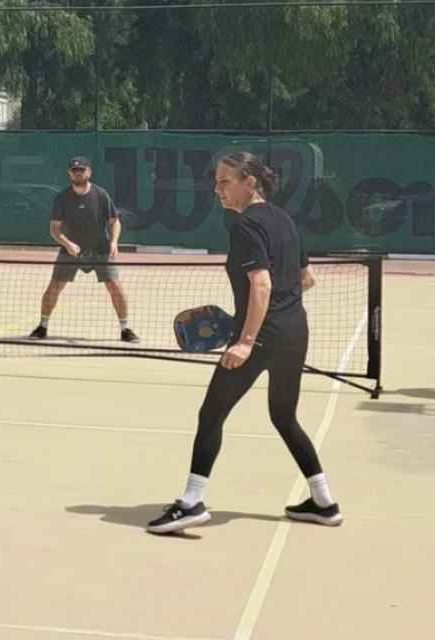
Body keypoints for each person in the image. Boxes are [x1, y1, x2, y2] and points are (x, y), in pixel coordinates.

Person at [146, 152, 341, 535]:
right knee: (283, 416)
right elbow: (306, 280)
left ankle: (190, 502)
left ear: (250, 182)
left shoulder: (245, 225)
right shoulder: (285, 221)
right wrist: (256, 320)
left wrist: (246, 339)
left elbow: (262, 284)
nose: (217, 188)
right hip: (294, 331)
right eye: (216, 181)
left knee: (211, 415)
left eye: (225, 181)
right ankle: (324, 501)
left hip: (262, 337)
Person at [28, 156, 139, 343]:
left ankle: (125, 329)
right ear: (69, 173)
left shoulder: (101, 195)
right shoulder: (61, 198)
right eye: (74, 170)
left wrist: (114, 242)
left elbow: (114, 222)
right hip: (70, 251)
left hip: (100, 249)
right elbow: (54, 229)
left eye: (82, 170)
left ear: (89, 172)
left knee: (115, 286)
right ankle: (42, 326)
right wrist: (67, 244)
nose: (78, 173)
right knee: (54, 287)